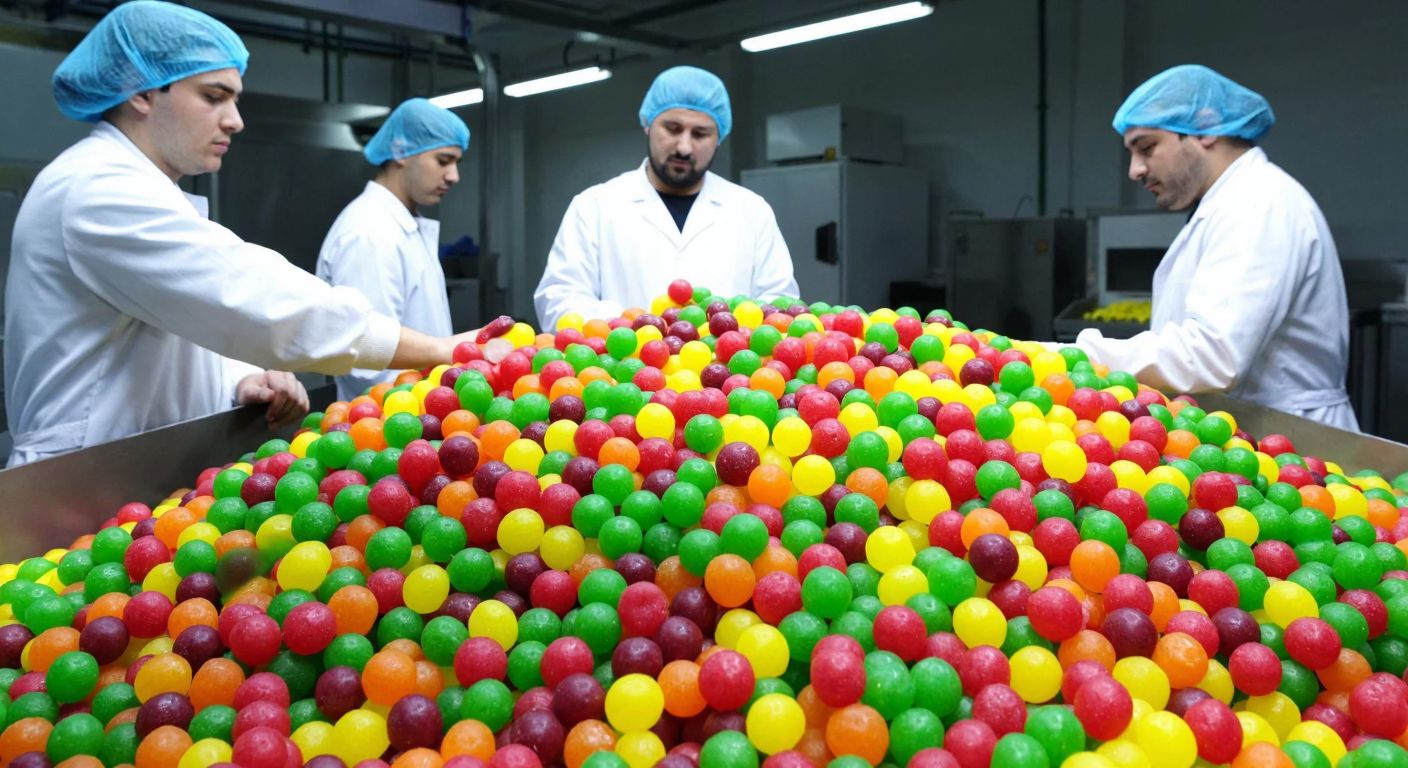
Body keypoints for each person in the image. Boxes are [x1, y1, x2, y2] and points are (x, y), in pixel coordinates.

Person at [4, 1, 471, 467]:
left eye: (235, 100)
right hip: (82, 474)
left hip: (135, 466)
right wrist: (438, 350)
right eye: (213, 96)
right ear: (141, 93)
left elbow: (183, 316)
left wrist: (236, 378)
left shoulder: (141, 188)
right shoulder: (97, 188)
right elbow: (249, 295)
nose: (235, 120)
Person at [1073, 64, 1357, 430]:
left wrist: (1080, 354)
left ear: (1205, 130)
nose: (1135, 170)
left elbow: (1212, 355)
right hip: (1250, 430)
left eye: (1146, 147)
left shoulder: (1259, 203)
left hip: (1291, 437)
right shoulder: (1229, 203)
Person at [533, 66, 798, 330]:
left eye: (700, 134)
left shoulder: (751, 210)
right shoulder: (595, 206)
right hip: (623, 369)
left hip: (727, 370)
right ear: (648, 125)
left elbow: (779, 307)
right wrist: (639, 327)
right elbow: (559, 301)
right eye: (672, 129)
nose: (684, 147)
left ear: (719, 137)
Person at [318, 98, 467, 402]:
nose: (454, 176)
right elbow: (369, 362)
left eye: (456, 163)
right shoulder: (368, 233)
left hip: (419, 410)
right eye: (443, 160)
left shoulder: (401, 224)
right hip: (389, 419)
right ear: (400, 150)